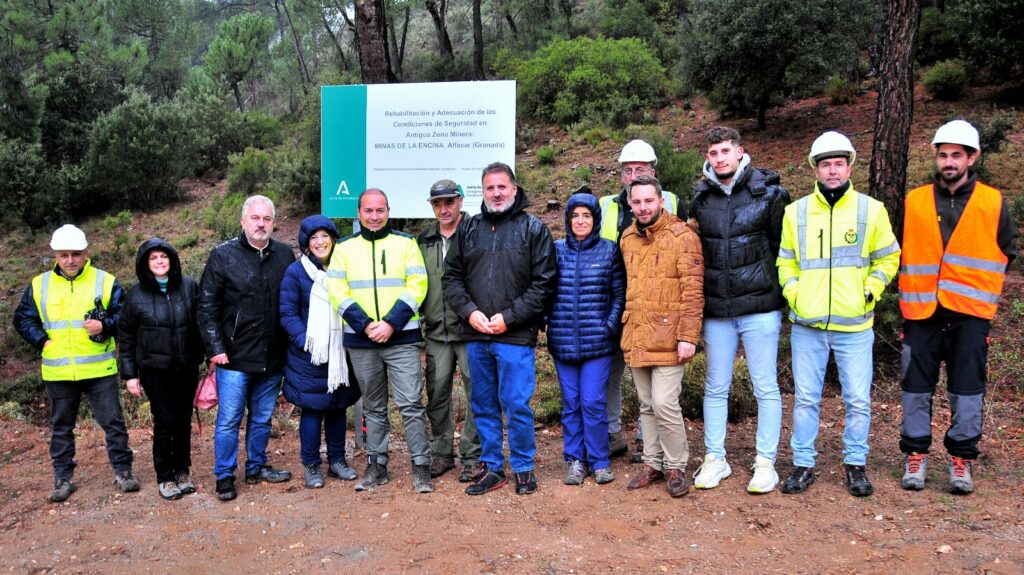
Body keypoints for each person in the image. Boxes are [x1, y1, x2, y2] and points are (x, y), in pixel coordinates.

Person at [777, 131, 900, 497]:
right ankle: (803, 464)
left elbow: (888, 256)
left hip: (855, 325)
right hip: (808, 324)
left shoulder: (870, 210)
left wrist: (871, 290)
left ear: (849, 167)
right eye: (825, 164)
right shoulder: (795, 212)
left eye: (838, 164)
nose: (832, 170)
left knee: (858, 399)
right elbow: (786, 262)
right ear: (815, 169)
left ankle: (855, 465)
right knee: (805, 398)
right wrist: (796, 295)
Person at [898, 120, 1017, 494]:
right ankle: (915, 453)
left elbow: (1006, 253)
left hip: (970, 315)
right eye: (943, 154)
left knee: (967, 388)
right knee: (915, 387)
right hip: (921, 311)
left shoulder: (993, 201)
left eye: (956, 155)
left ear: (972, 157)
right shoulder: (915, 200)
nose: (948, 162)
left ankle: (961, 458)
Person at [688, 127, 790, 494]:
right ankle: (716, 458)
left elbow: (784, 248)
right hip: (717, 310)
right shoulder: (700, 199)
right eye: (713, 153)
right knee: (716, 387)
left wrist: (780, 294)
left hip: (760, 306)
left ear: (740, 152)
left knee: (765, 386)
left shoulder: (770, 193)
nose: (719, 159)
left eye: (725, 151)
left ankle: (766, 462)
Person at [445, 162, 557, 496]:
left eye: (502, 187)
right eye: (490, 188)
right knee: (482, 404)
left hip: (515, 335)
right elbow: (451, 277)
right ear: (483, 191)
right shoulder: (469, 229)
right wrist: (470, 312)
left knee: (516, 404)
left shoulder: (533, 229)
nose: (496, 193)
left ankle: (523, 466)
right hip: (477, 333)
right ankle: (493, 467)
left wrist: (509, 316)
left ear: (514, 188)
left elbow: (544, 284)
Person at [13, 224, 139, 502]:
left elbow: (128, 318)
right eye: (63, 255)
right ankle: (62, 477)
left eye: (75, 254)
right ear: (55, 255)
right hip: (58, 372)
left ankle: (123, 471)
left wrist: (104, 325)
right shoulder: (39, 284)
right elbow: (22, 318)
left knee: (113, 423)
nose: (70, 260)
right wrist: (42, 341)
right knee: (61, 426)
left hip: (99, 370)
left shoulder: (105, 281)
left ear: (86, 253)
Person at [328, 189, 433, 493]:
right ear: (358, 214)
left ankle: (421, 465)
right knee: (373, 406)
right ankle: (377, 466)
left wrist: (391, 324)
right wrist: (365, 326)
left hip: (401, 339)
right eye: (368, 211)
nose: (374, 216)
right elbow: (338, 290)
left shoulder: (406, 243)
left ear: (389, 211)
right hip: (362, 342)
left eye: (380, 210)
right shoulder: (344, 248)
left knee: (411, 403)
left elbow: (418, 285)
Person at [198, 195, 296, 502]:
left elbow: (292, 301)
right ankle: (224, 476)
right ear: (243, 221)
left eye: (267, 219)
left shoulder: (284, 254)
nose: (261, 224)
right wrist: (214, 347)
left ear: (273, 222)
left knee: (262, 417)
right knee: (229, 420)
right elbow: (206, 306)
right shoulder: (223, 255)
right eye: (255, 218)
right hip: (234, 357)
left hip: (272, 356)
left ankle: (256, 466)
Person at [598, 139, 685, 462]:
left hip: (656, 305)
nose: (633, 174)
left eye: (640, 169)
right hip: (614, 301)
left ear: (653, 172)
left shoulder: (673, 202)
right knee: (612, 372)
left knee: (650, 379)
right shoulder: (606, 205)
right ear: (621, 174)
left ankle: (646, 441)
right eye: (627, 170)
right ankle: (612, 433)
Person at [619, 175, 704, 498]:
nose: (643, 207)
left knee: (665, 402)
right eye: (637, 202)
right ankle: (653, 463)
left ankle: (675, 465)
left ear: (661, 201)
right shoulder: (627, 238)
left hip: (671, 335)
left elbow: (693, 291)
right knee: (645, 404)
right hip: (638, 332)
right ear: (630, 203)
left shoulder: (683, 236)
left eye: (649, 201)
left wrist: (688, 336)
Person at [547, 192, 626, 486]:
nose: (581, 221)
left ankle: (600, 461)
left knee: (592, 401)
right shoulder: (556, 250)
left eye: (587, 216)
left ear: (595, 219)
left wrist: (608, 326)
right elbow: (546, 290)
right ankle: (575, 461)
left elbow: (619, 294)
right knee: (571, 403)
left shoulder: (609, 251)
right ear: (568, 220)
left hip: (598, 343)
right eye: (575, 216)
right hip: (563, 341)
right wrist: (547, 321)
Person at [118, 238, 205, 500]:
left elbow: (202, 324)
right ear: (146, 263)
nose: (159, 262)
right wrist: (130, 375)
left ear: (172, 260)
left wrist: (210, 355)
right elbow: (126, 337)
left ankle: (182, 471)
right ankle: (165, 476)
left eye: (163, 257)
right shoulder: (135, 295)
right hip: (155, 371)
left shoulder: (189, 287)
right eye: (153, 258)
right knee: (165, 422)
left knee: (182, 421)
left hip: (186, 367)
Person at [280, 215, 362, 489]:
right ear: (306, 243)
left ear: (333, 238)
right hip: (309, 355)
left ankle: (337, 461)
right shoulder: (296, 272)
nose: (320, 242)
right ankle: (312, 465)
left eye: (324, 236)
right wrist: (309, 342)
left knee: (338, 407)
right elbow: (288, 313)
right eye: (313, 238)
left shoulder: (344, 267)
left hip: (341, 352)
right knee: (313, 410)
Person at [416, 179, 481, 482]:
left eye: (449, 202)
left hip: (470, 330)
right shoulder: (424, 240)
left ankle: (472, 455)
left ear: (460, 202)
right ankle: (441, 453)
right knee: (437, 394)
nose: (444, 209)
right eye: (437, 203)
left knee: (477, 394)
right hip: (437, 332)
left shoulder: (475, 233)